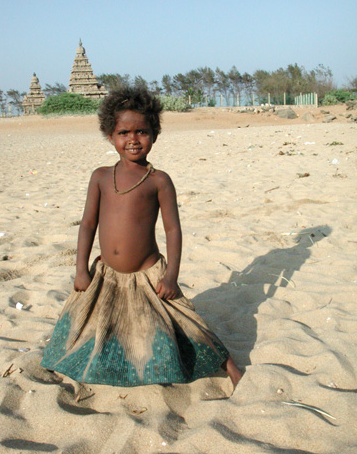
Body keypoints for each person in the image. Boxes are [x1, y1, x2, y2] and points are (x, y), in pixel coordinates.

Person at [41, 86, 243, 389]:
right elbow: (87, 224)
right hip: (106, 276)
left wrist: (172, 275)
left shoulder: (159, 180)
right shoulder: (100, 177)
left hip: (149, 275)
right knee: (84, 325)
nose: (133, 140)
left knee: (185, 321)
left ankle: (229, 366)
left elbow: (173, 229)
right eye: (124, 132)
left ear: (155, 135)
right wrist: (81, 269)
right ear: (110, 136)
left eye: (142, 132)